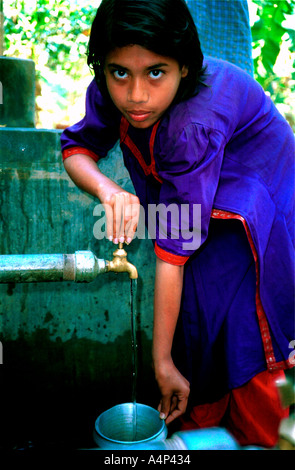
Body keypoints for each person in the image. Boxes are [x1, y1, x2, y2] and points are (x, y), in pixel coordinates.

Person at [61, 0, 294, 448]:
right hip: (199, 203)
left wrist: (160, 363)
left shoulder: (191, 124)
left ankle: (262, 435)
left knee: (250, 325)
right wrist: (109, 191)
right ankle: (199, 425)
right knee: (196, 312)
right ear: (103, 67)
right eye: (119, 73)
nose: (136, 95)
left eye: (155, 72)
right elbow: (76, 149)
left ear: (185, 68)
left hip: (256, 199)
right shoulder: (114, 88)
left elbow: (172, 253)